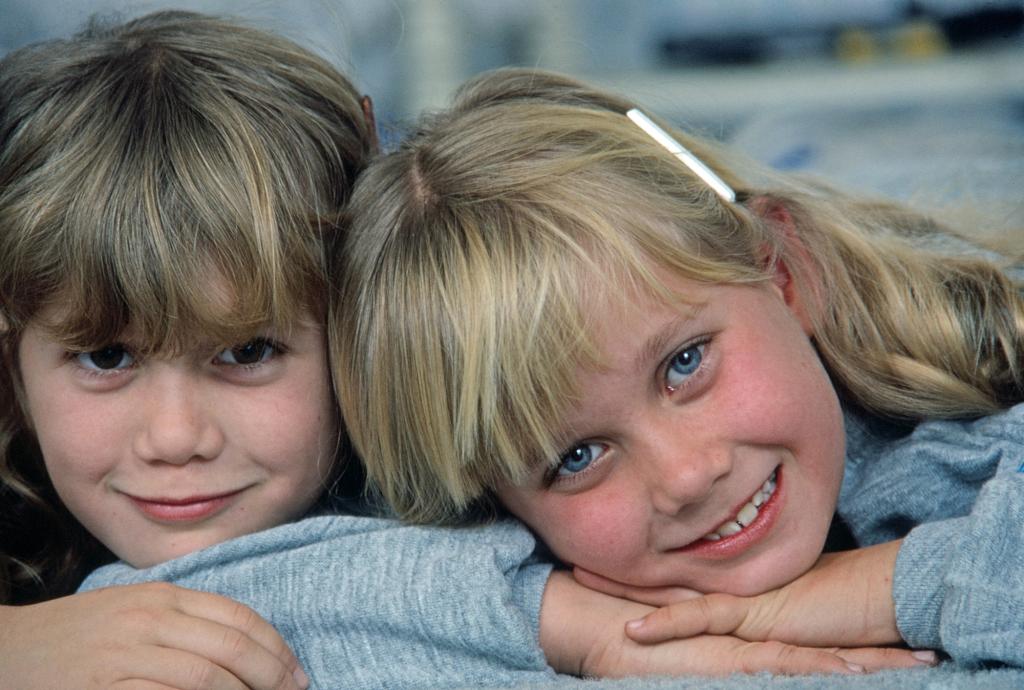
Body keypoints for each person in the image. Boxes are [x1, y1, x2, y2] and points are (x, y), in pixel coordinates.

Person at [0, 13, 925, 690]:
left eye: (246, 351)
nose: (174, 437)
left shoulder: (473, 452)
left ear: (360, 329)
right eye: (107, 360)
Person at [333, 67, 1024, 670]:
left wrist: (882, 588)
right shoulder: (526, 549)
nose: (686, 478)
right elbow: (266, 585)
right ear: (493, 505)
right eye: (576, 457)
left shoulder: (988, 381)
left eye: (683, 364)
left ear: (784, 274)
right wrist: (563, 623)